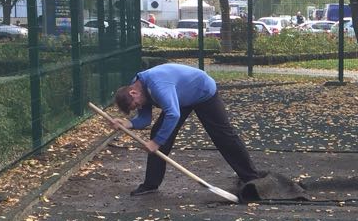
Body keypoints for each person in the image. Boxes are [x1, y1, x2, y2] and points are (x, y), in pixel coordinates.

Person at [111, 62, 263, 195]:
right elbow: (145, 119)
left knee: (223, 135)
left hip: (202, 91)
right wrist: (128, 123)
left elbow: (173, 114)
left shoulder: (157, 85)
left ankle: (251, 178)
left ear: (133, 93)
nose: (139, 107)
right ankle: (150, 185)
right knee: (158, 132)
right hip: (180, 98)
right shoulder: (138, 87)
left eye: (136, 105)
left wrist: (156, 143)